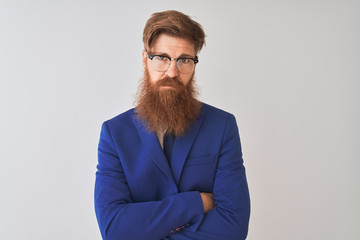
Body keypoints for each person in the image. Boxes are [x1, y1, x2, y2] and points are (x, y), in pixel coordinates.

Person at [95, 10, 250, 240]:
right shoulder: (114, 133)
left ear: (194, 65)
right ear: (145, 59)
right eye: (162, 58)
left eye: (184, 60)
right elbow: (114, 229)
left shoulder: (223, 126)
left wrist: (145, 228)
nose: (172, 71)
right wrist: (195, 202)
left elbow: (233, 227)